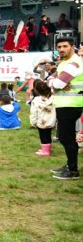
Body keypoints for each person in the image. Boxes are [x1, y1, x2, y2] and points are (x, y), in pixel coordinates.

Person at [47, 37, 83, 180]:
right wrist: (54, 82)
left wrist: (56, 83)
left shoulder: (74, 63)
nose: (61, 49)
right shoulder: (64, 63)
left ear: (72, 46)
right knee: (65, 137)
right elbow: (49, 79)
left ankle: (73, 170)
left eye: (65, 46)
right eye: (59, 47)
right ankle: (69, 166)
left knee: (65, 138)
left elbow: (58, 84)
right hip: (65, 104)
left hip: (71, 104)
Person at [30, 79, 56, 157]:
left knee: (43, 136)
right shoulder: (53, 98)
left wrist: (33, 122)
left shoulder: (36, 100)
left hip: (41, 122)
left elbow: (33, 113)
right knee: (48, 135)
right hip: (51, 120)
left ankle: (45, 151)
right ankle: (47, 149)